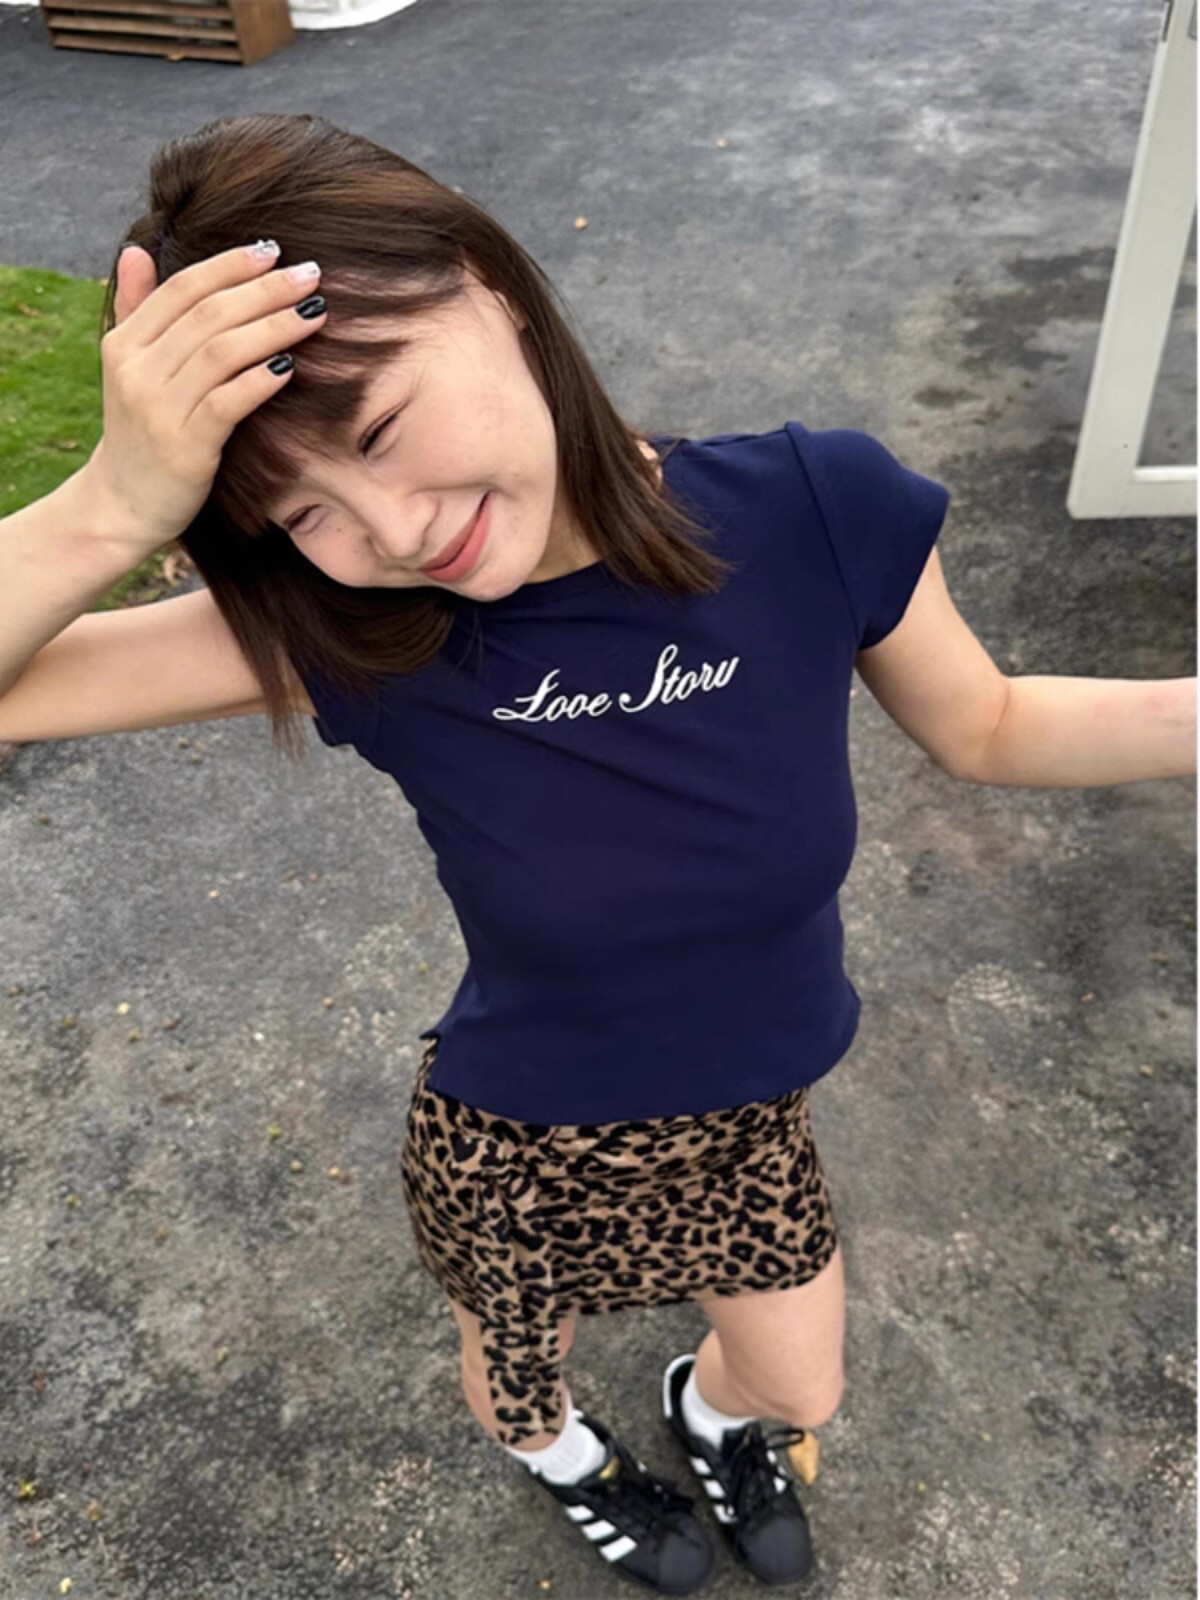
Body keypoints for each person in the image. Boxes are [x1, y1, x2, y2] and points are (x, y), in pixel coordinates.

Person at [1, 112, 1193, 1596]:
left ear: (492, 288)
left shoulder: (811, 510)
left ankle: (711, 1418)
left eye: (377, 431)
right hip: (518, 1139)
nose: (390, 531)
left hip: (748, 1119)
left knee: (801, 1383)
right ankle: (569, 1462)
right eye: (302, 510)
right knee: (516, 1387)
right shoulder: (355, 633)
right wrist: (113, 506)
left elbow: (994, 723)